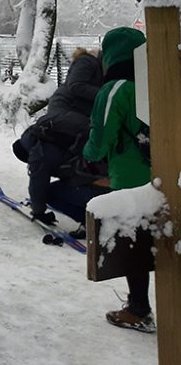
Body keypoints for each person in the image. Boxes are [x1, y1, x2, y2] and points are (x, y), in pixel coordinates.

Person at [83, 27, 155, 333]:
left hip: (133, 180)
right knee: (165, 242)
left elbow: (100, 141)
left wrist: (87, 154)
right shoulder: (160, 82)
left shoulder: (115, 89)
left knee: (135, 245)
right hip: (166, 174)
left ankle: (139, 309)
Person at [12, 48, 104, 224]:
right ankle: (92, 218)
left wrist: (38, 211)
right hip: (91, 144)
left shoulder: (40, 149)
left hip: (93, 160)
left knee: (52, 192)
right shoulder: (47, 131)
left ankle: (91, 221)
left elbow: (38, 183)